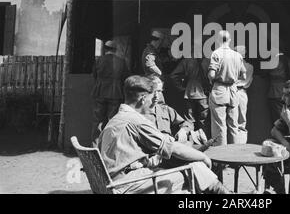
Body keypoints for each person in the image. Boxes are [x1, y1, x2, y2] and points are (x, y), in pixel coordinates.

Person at [97, 75, 234, 194]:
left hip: (115, 182)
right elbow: (173, 148)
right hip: (129, 185)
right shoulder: (136, 121)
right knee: (196, 168)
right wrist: (204, 157)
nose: (154, 101)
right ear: (143, 99)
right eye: (152, 97)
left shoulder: (115, 119)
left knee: (193, 170)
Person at [208, 30, 246, 146]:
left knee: (219, 126)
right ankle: (234, 157)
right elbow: (243, 75)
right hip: (233, 91)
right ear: (229, 40)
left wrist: (212, 79)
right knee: (234, 126)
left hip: (219, 90)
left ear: (218, 40)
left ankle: (221, 160)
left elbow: (212, 74)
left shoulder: (216, 54)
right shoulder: (238, 55)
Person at [91, 40, 130, 145]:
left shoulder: (99, 60)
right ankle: (110, 146)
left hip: (100, 92)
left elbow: (94, 75)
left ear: (105, 49)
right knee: (113, 120)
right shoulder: (121, 61)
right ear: (115, 50)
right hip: (115, 93)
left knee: (98, 120)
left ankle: (95, 145)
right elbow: (125, 78)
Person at [170, 49, 211, 138]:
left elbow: (173, 76)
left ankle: (188, 140)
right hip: (203, 94)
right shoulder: (208, 61)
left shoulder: (186, 61)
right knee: (204, 121)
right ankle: (204, 140)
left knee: (189, 120)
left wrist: (181, 88)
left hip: (189, 93)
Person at [141, 75, 194, 143]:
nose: (156, 96)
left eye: (159, 91)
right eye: (153, 91)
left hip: (168, 146)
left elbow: (187, 123)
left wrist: (183, 130)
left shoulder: (165, 110)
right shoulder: (138, 112)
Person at [266, 44, 290, 124]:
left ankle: (279, 134)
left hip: (274, 92)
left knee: (277, 117)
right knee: (288, 115)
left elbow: (265, 74)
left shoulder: (272, 62)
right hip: (287, 91)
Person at [235, 45, 254, 144]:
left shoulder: (234, 65)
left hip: (234, 91)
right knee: (241, 121)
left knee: (233, 120)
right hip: (242, 92)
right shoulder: (250, 66)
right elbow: (249, 81)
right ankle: (241, 143)